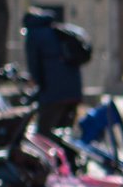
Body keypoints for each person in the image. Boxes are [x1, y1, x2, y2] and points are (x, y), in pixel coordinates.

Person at [23, 9, 87, 137]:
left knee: (43, 134)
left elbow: (34, 64)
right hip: (74, 90)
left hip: (54, 92)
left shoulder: (34, 34)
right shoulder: (56, 31)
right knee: (64, 134)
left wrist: (35, 81)